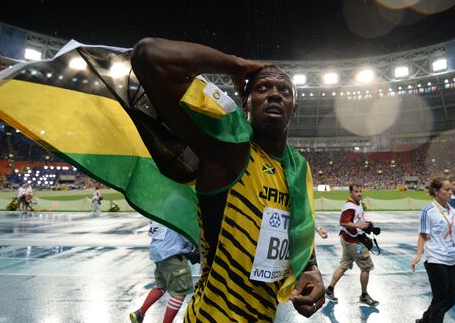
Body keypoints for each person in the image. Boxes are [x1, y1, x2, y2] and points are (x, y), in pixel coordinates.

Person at [130, 38, 324, 322]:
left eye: (284, 90)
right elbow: (148, 55)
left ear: (294, 108)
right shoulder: (228, 153)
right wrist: (236, 64)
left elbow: (298, 226)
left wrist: (311, 268)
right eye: (262, 87)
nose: (274, 94)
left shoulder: (298, 169)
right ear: (245, 102)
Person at [411, 177, 455, 323]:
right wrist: (418, 255)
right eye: (447, 189)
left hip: (451, 259)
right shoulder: (428, 211)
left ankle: (424, 320)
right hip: (435, 259)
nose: (451, 192)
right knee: (441, 300)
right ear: (436, 191)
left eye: (451, 189)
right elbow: (423, 234)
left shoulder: (453, 210)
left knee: (449, 300)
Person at [130, 220, 195, 323]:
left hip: (159, 255)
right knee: (180, 293)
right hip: (172, 255)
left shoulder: (160, 212)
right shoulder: (178, 211)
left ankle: (140, 313)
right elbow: (187, 235)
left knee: (161, 286)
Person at [325, 183, 378, 307]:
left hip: (349, 239)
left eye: (360, 191)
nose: (359, 193)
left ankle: (329, 290)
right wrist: (359, 226)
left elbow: (356, 220)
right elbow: (343, 222)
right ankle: (364, 296)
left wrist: (365, 224)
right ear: (351, 193)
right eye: (356, 191)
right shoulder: (350, 206)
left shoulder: (357, 204)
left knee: (344, 265)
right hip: (353, 242)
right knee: (366, 266)